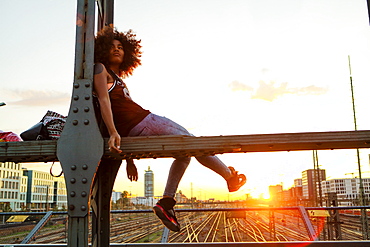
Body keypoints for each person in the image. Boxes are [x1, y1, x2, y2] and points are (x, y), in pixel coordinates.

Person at [93, 26, 246, 232]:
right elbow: (104, 101)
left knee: (185, 154)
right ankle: (230, 177)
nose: (117, 49)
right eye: (112, 46)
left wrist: (128, 158)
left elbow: (120, 113)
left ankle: (166, 203)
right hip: (145, 121)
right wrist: (113, 132)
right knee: (192, 142)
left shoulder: (117, 77)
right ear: (102, 49)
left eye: (121, 46)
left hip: (137, 126)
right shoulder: (100, 69)